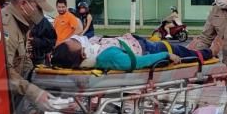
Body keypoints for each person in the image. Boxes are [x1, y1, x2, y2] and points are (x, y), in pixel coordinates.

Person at [51, 33, 213, 71]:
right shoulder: (107, 56)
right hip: (149, 49)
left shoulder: (92, 51)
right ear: (83, 54)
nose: (77, 38)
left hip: (137, 42)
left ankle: (196, 48)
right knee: (181, 53)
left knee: (183, 50)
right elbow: (136, 62)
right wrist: (166, 55)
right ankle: (210, 53)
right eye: (74, 41)